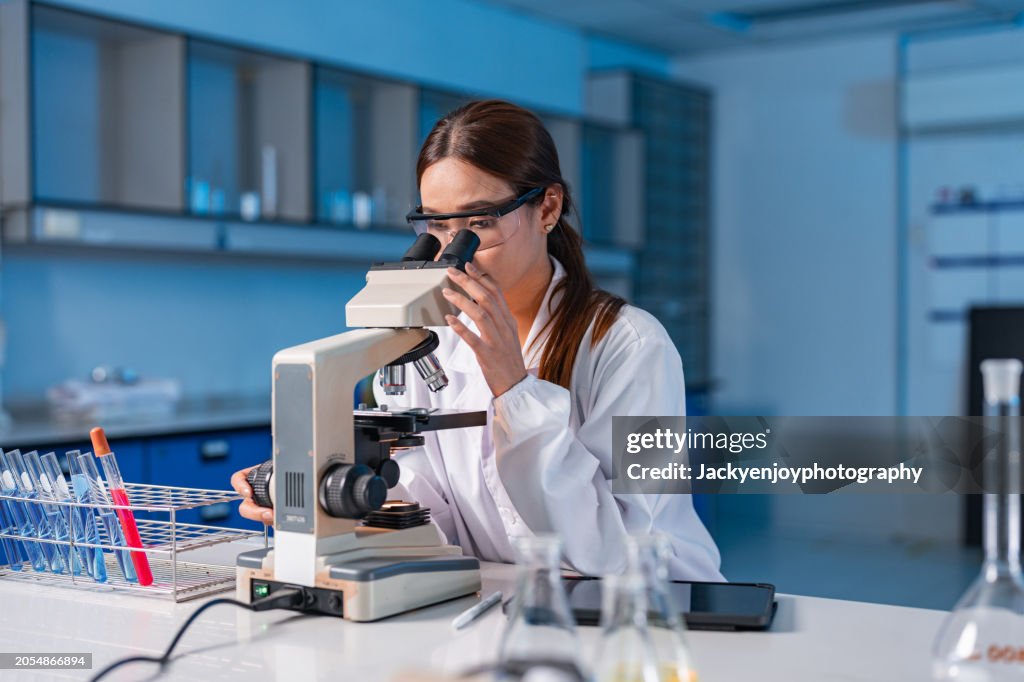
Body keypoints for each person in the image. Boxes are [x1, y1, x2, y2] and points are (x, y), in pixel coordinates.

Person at [232, 99, 722, 580]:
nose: (455, 252)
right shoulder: (430, 344)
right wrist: (329, 497)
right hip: (497, 599)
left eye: (480, 223)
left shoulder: (632, 346)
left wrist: (514, 387)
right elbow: (429, 506)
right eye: (438, 225)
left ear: (548, 207)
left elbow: (621, 544)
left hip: (647, 607)